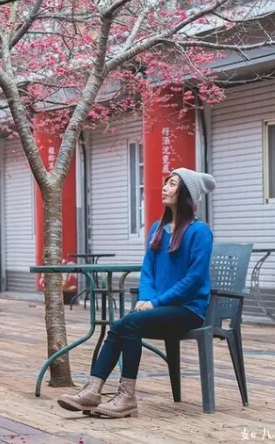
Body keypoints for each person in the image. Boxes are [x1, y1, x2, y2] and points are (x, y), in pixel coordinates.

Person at [56, 167, 216, 418]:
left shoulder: (200, 232)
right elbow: (148, 271)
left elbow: (194, 280)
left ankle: (125, 397)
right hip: (159, 308)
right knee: (122, 324)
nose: (165, 188)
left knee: (127, 324)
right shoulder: (157, 228)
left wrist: (156, 301)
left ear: (186, 193)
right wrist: (146, 298)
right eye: (166, 183)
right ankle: (94, 390)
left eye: (172, 184)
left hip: (188, 310)